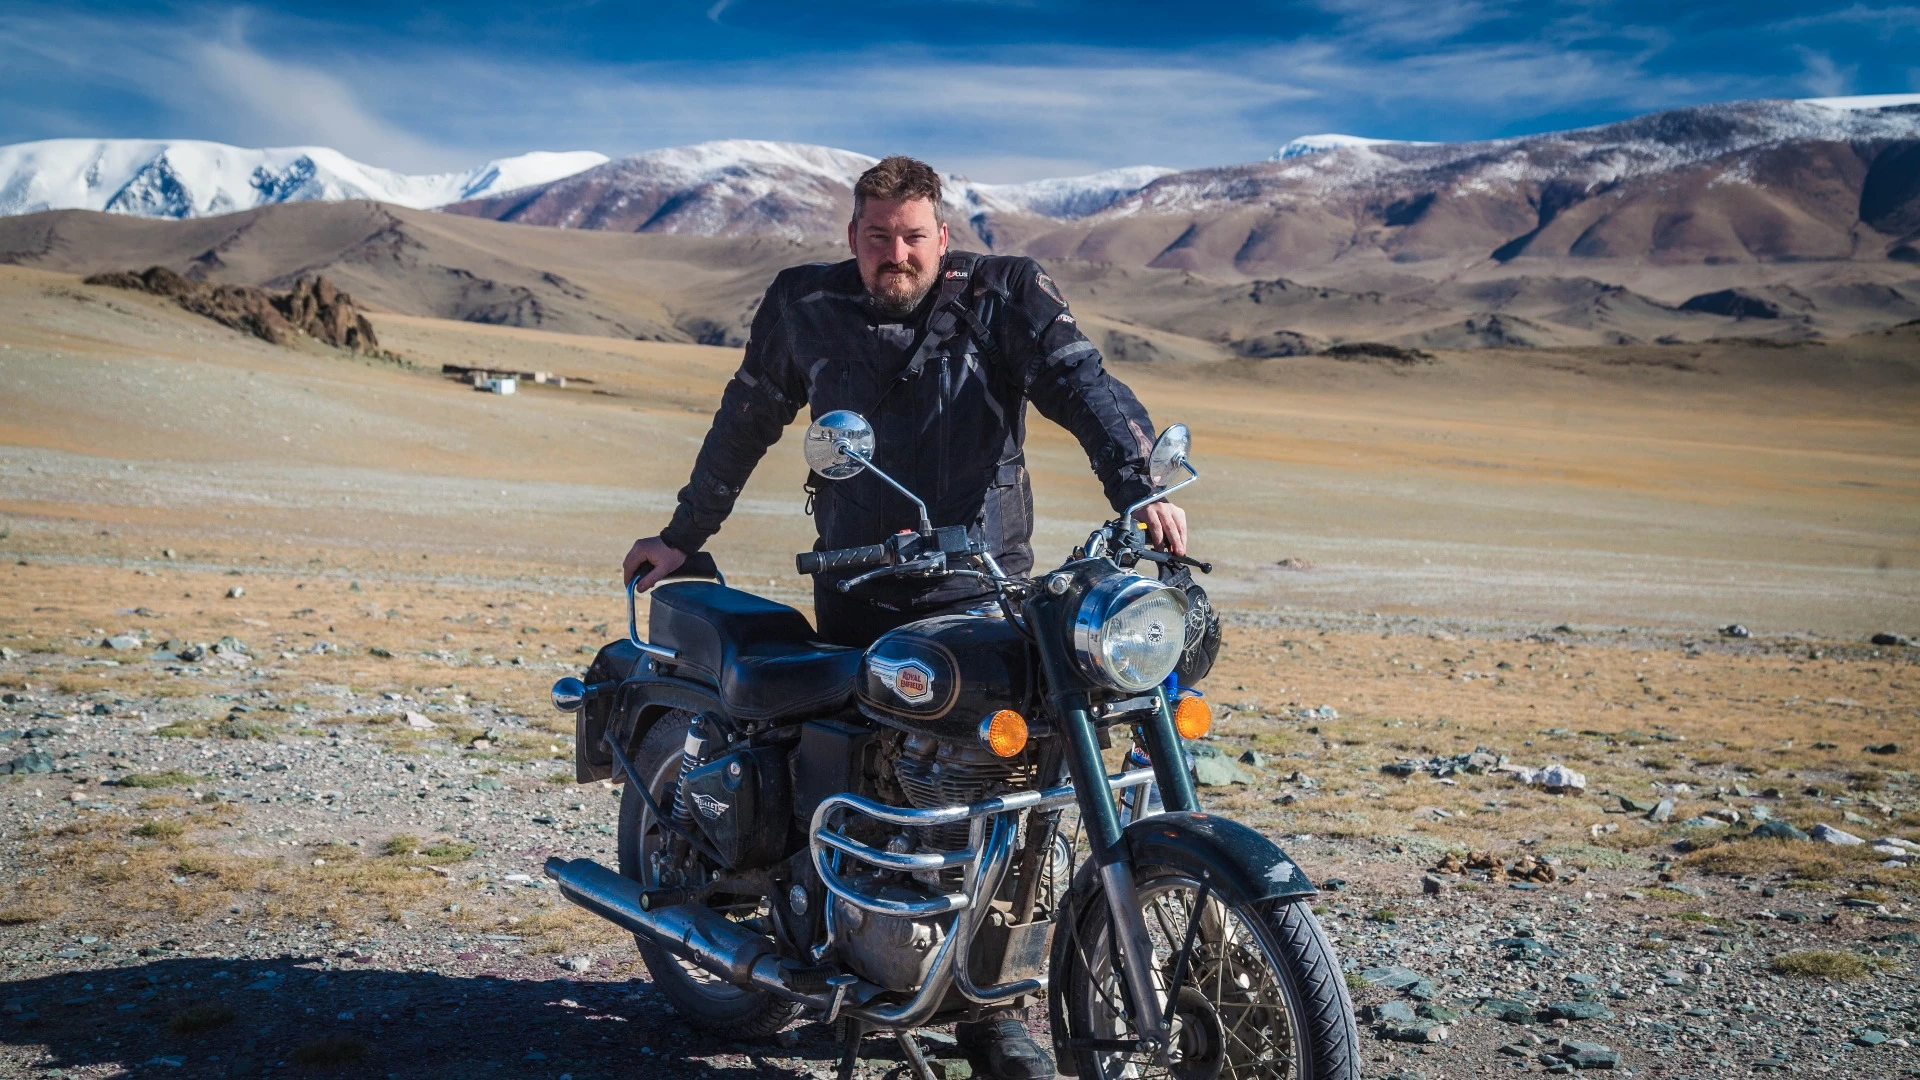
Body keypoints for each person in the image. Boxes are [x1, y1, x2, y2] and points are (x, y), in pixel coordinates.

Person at [621, 155, 1185, 1079]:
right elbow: (749, 415)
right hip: (858, 587)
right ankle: (852, 948)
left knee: (1007, 795)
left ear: (942, 236)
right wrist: (685, 533)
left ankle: (984, 1010)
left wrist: (1138, 491)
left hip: (985, 586)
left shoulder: (1005, 295)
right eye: (878, 237)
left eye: (913, 236)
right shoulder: (808, 304)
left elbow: (1084, 383)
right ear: (852, 237)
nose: (896, 254)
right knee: (876, 782)